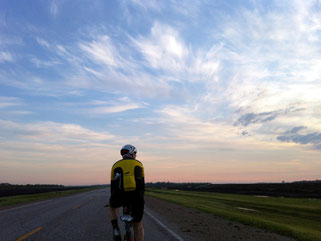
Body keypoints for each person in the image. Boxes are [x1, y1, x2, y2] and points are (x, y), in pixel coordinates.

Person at [109, 144, 145, 241]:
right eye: (135, 153)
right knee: (138, 225)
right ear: (132, 154)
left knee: (112, 206)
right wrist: (141, 199)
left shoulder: (115, 165)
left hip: (119, 196)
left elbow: (113, 186)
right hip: (136, 197)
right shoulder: (139, 164)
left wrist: (113, 198)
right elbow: (142, 185)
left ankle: (115, 227)